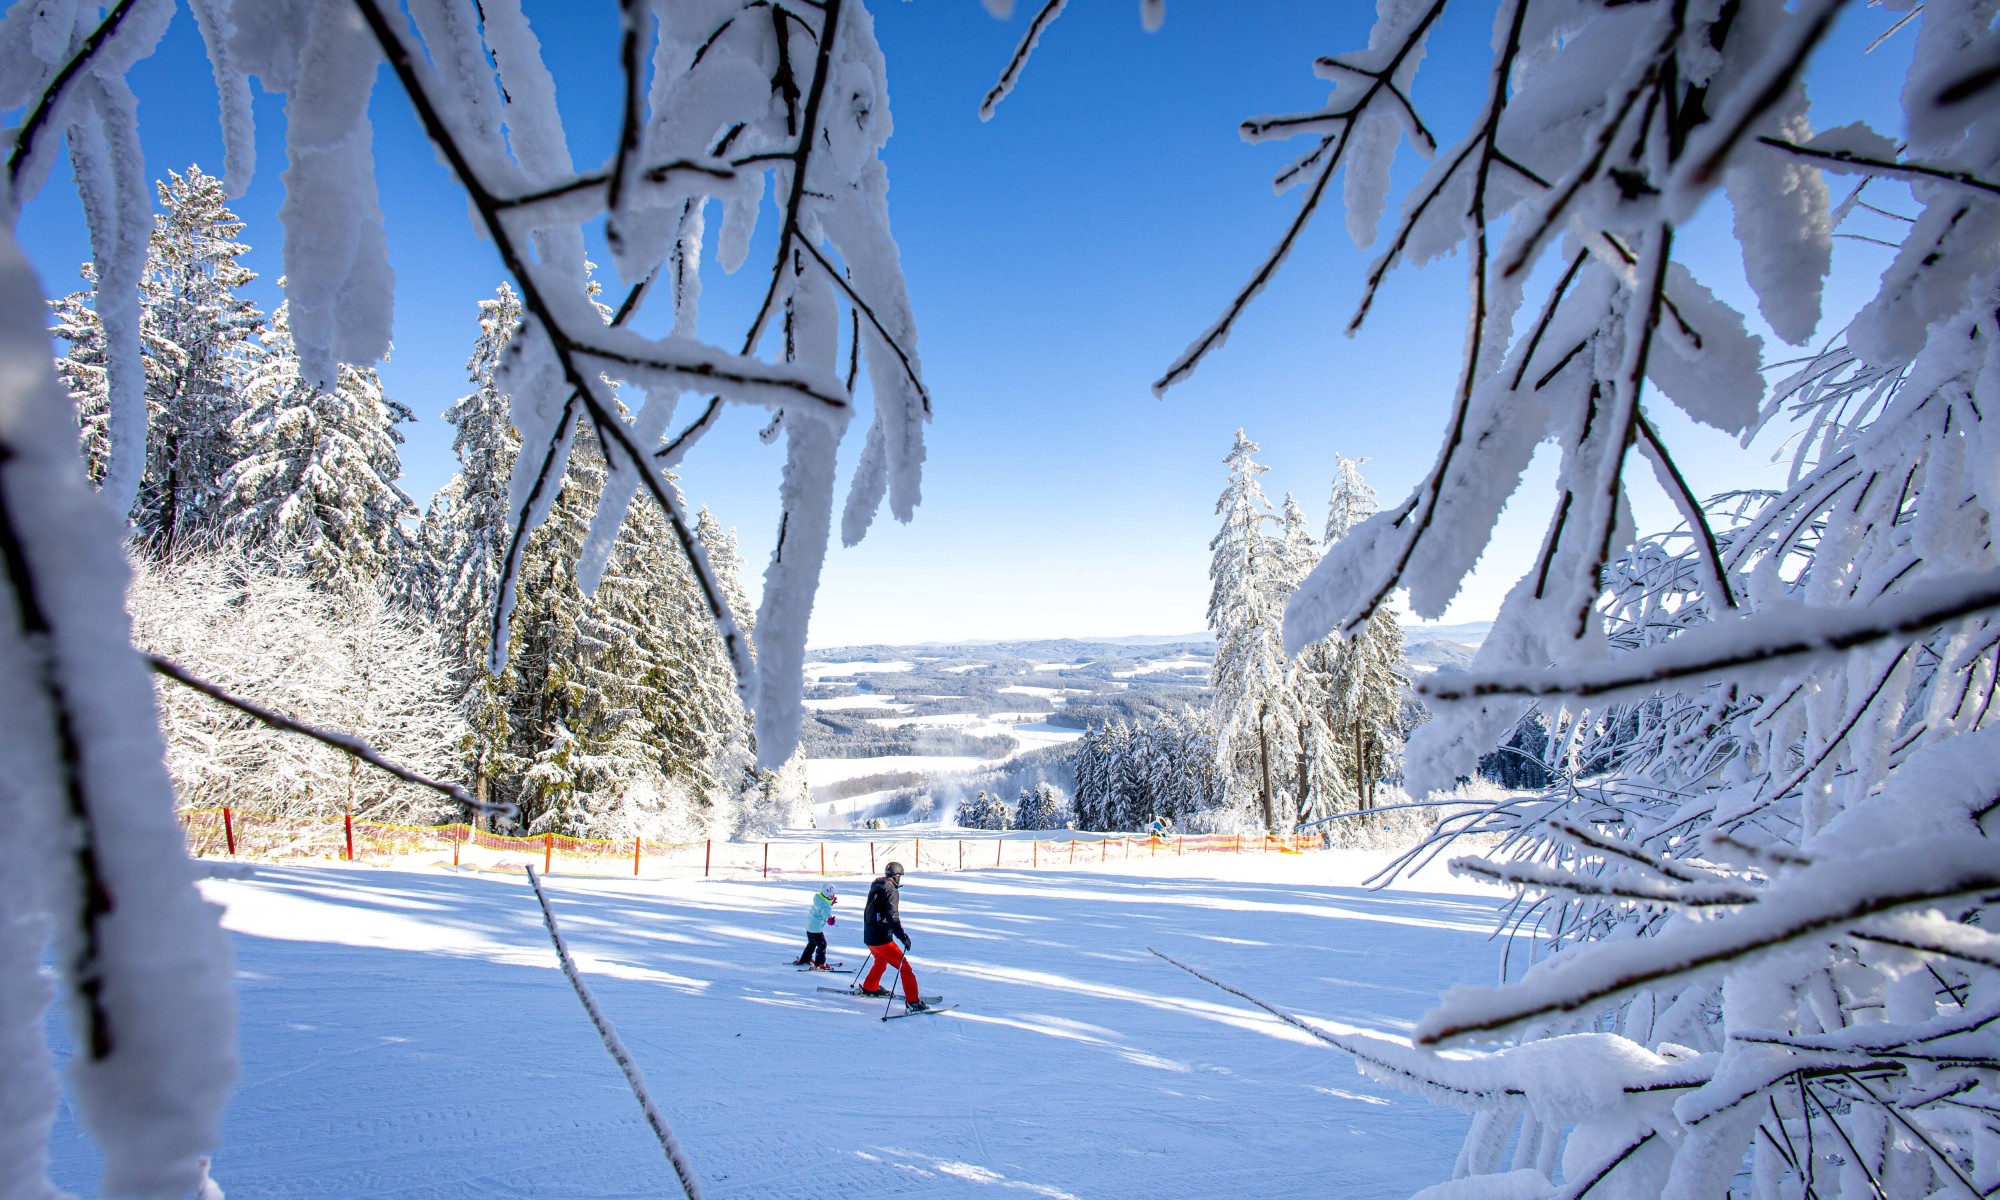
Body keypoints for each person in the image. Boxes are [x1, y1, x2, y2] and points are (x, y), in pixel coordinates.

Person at [858, 861, 926, 1012]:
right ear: (896, 876)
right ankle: (913, 1002)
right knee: (905, 968)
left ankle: (870, 986)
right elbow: (892, 916)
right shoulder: (891, 891)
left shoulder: (877, 886)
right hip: (881, 939)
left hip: (870, 936)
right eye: (900, 876)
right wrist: (902, 936)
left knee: (881, 960)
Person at [792, 883, 838, 969]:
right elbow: (825, 912)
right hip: (816, 929)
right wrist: (830, 920)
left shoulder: (819, 899)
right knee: (822, 945)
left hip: (810, 926)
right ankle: (819, 964)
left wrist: (830, 902)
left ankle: (805, 959)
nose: (833, 897)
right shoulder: (824, 906)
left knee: (812, 943)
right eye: (831, 896)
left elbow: (822, 905)